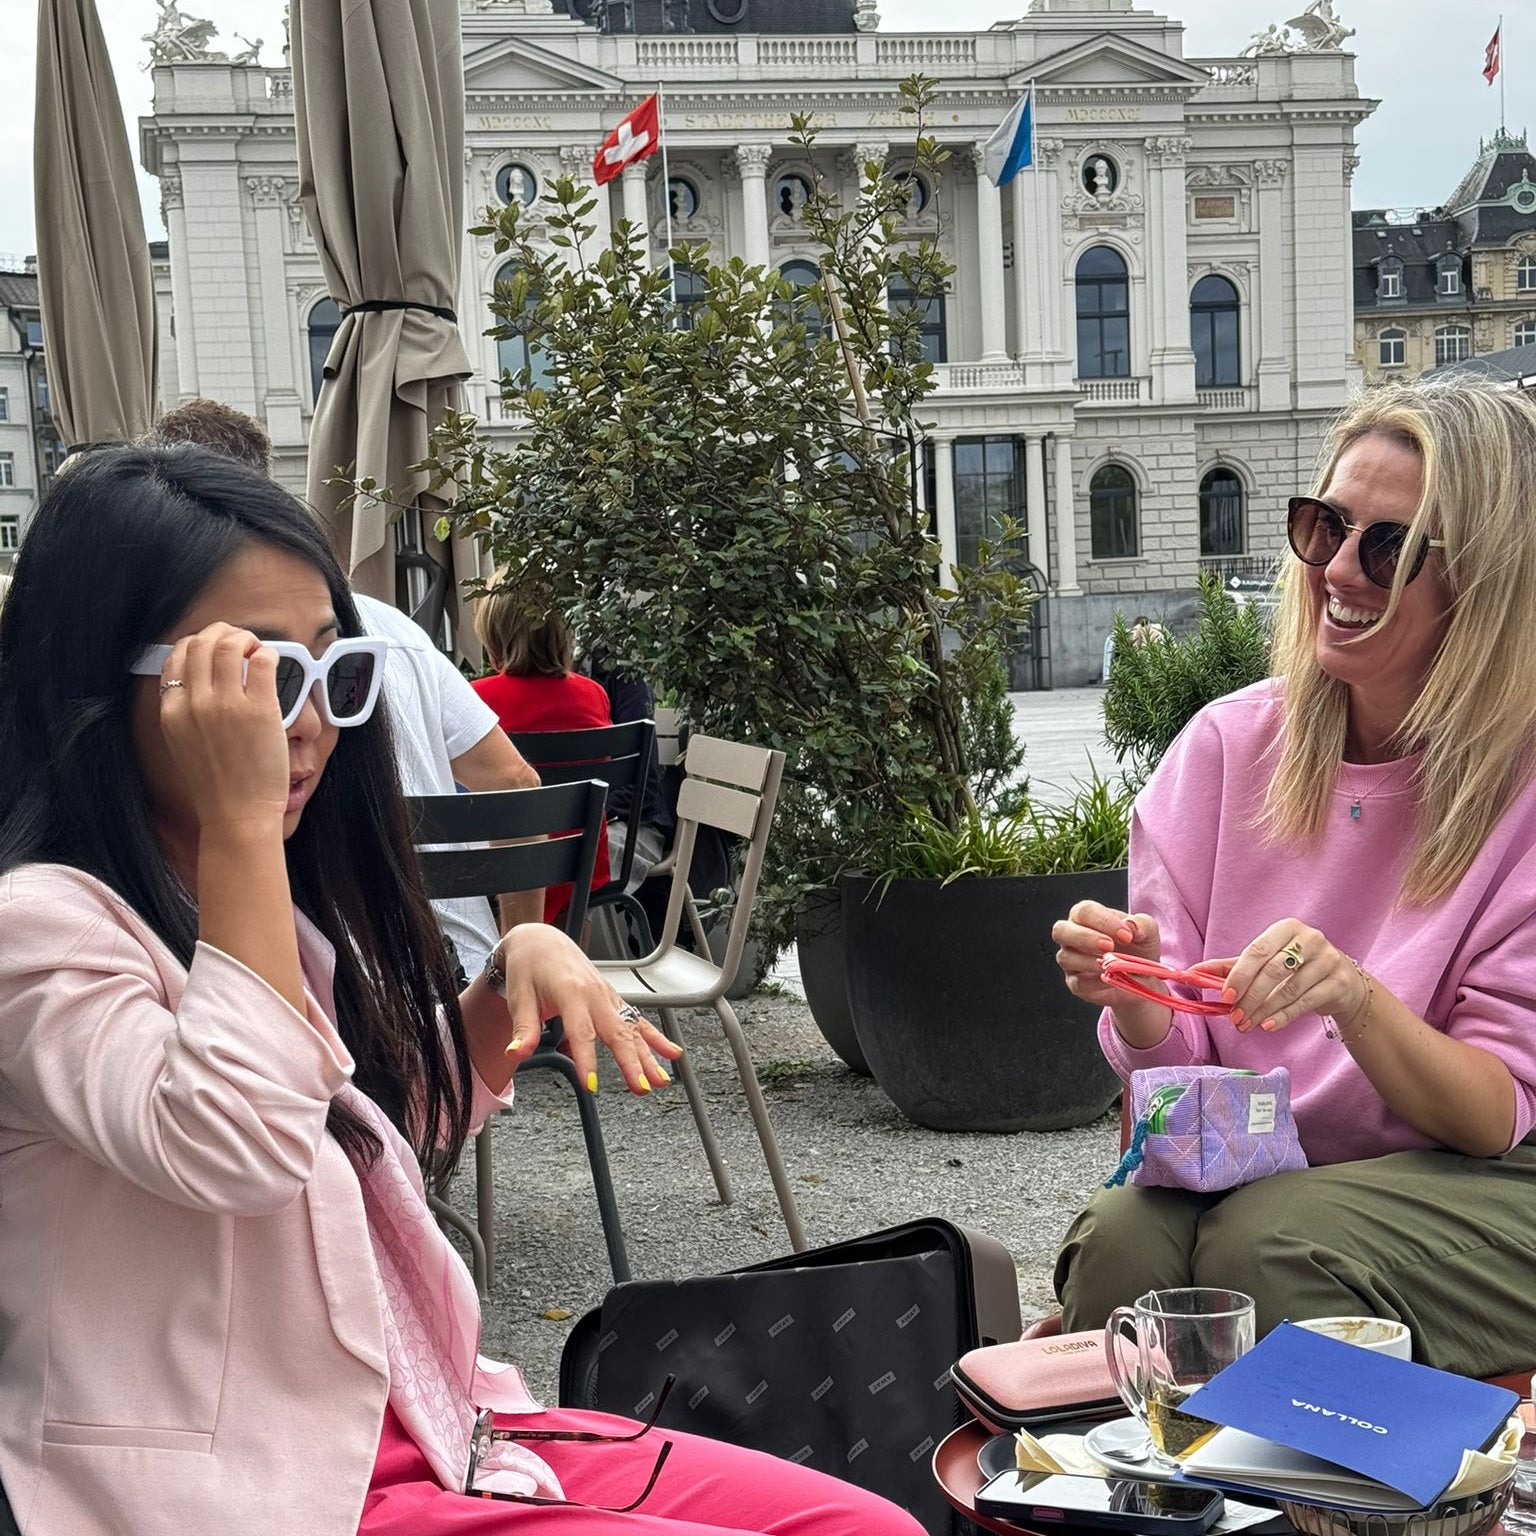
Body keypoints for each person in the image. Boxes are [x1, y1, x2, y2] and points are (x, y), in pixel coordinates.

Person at [0, 444, 922, 1536]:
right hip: (270, 1489)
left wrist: (502, 992)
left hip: (435, 1427)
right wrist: (244, 827)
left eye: (334, 674)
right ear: (99, 682)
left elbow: (350, 1153)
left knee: (867, 1526)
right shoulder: (40, 928)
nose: (307, 726)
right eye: (255, 677)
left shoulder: (237, 911)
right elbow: (236, 1149)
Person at [1051, 377, 1536, 1378]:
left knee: (1268, 1248)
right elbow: (1176, 1064)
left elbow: (1490, 1112)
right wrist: (1135, 994)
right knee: (1122, 1249)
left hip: (1490, 1178)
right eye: (1325, 527)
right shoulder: (1227, 748)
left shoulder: (1518, 785)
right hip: (1259, 1165)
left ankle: (1407, 1506)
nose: (1340, 570)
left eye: (1389, 545)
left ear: (1485, 580)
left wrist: (1354, 997)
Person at [146, 398, 544, 976]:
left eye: (343, 674)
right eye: (271, 677)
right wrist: (516, 953)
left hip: (384, 981)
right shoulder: (394, 629)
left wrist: (524, 962)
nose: (309, 720)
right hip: (456, 964)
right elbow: (513, 780)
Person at [472, 589, 614, 925]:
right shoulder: (594, 695)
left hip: (501, 870)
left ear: (495, 641)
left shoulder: (478, 698)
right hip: (581, 862)